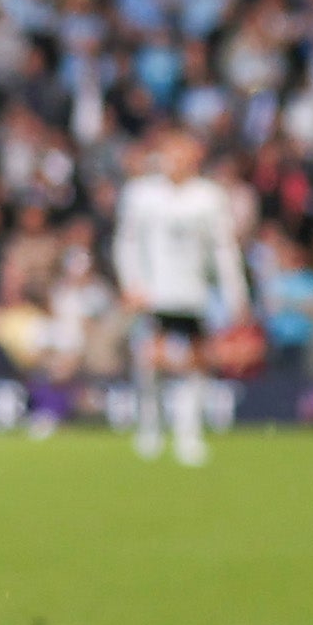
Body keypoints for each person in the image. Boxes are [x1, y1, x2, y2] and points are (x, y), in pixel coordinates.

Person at [109, 126, 248, 467]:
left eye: (183, 154)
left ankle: (189, 433)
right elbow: (126, 242)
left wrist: (235, 293)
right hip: (154, 292)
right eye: (171, 154)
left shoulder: (209, 196)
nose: (176, 161)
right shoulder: (141, 194)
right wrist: (131, 283)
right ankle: (150, 427)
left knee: (197, 362)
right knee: (151, 359)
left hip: (194, 292)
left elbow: (223, 248)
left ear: (195, 157)